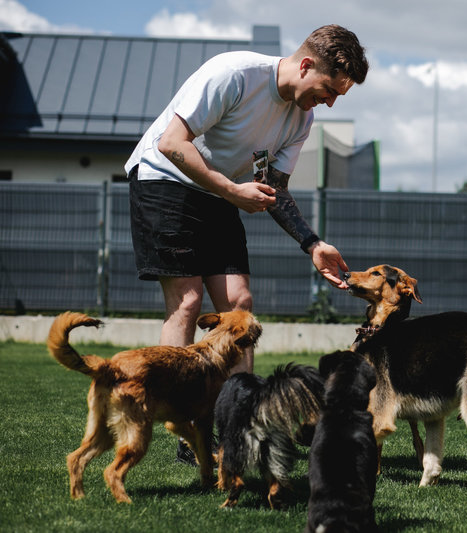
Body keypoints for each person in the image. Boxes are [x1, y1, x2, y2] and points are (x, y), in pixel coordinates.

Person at [124, 24, 368, 464]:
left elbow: (274, 187)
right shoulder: (234, 74)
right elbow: (171, 143)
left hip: (218, 192)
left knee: (240, 302)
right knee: (188, 301)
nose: (329, 102)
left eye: (338, 97)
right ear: (306, 64)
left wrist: (312, 244)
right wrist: (232, 191)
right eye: (329, 90)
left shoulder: (302, 117)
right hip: (164, 179)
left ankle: (237, 425)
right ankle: (187, 432)